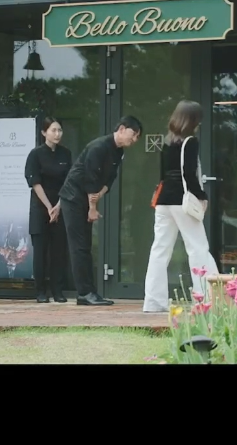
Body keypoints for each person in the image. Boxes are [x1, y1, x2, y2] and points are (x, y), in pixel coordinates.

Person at [143, 100, 220, 313]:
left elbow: (164, 174)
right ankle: (206, 298)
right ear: (193, 120)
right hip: (183, 201)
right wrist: (202, 196)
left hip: (163, 201)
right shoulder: (190, 142)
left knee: (159, 250)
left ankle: (153, 301)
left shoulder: (167, 141)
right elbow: (188, 174)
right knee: (197, 248)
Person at [58, 115, 143, 306]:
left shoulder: (118, 151)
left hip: (88, 197)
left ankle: (89, 292)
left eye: (137, 136)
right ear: (122, 129)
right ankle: (84, 293)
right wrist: (92, 208)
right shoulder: (99, 147)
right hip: (73, 198)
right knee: (79, 247)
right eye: (134, 134)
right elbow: (90, 179)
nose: (135, 139)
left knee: (85, 246)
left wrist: (98, 195)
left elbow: (109, 179)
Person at [24, 116, 72, 304]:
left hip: (60, 206)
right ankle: (40, 291)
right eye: (53, 130)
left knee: (59, 251)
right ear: (44, 132)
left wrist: (58, 206)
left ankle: (57, 290)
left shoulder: (65, 154)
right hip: (40, 207)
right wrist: (49, 207)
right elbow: (35, 182)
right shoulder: (35, 154)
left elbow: (68, 182)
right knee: (40, 252)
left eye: (60, 130)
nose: (57, 134)